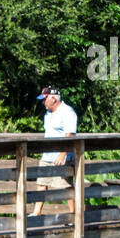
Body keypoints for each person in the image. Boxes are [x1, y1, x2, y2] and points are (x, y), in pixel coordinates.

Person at [32, 86, 77, 217]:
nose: (42, 102)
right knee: (41, 183)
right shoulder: (48, 113)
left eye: (44, 99)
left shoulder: (68, 112)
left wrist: (63, 154)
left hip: (62, 156)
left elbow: (70, 135)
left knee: (66, 186)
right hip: (47, 155)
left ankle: (73, 215)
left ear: (53, 98)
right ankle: (37, 212)